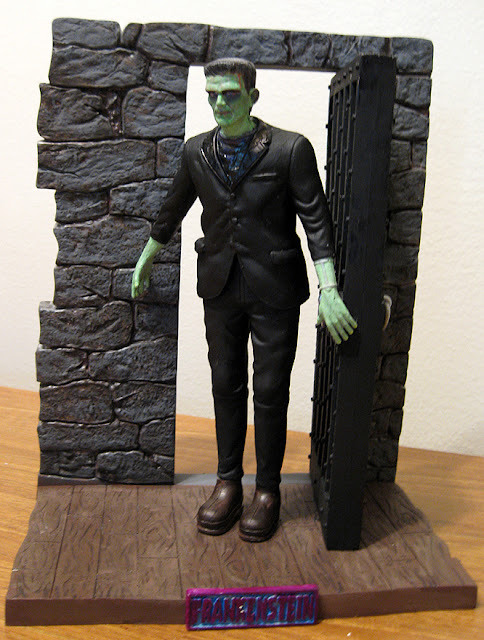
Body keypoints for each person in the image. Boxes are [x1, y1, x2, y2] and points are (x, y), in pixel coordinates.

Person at [132, 58, 356, 542]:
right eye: (212, 94)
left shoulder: (290, 149)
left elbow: (316, 220)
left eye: (230, 93)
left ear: (252, 97)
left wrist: (329, 288)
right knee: (225, 382)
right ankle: (228, 482)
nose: (219, 103)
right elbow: (173, 207)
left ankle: (268, 490)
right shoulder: (197, 152)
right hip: (219, 285)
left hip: (274, 288)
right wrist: (148, 256)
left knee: (271, 389)